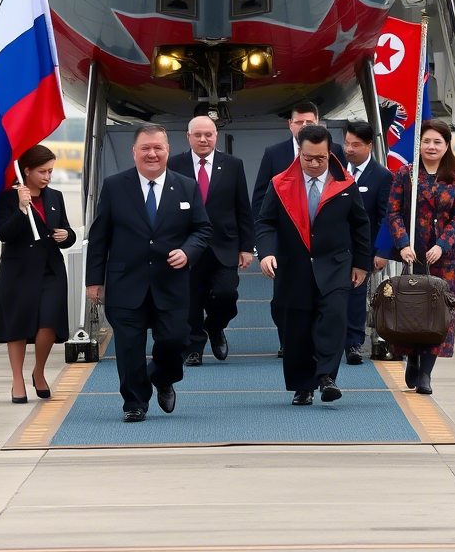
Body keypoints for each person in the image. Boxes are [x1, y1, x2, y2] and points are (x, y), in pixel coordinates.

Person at [85, 124, 212, 422]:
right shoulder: (115, 186)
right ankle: (134, 403)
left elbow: (202, 229)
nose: (152, 154)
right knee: (129, 348)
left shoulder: (186, 186)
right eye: (145, 148)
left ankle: (162, 376)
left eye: (158, 148)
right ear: (134, 152)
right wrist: (94, 281)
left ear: (168, 150)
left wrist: (188, 251)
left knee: (176, 340)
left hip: (171, 284)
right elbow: (100, 236)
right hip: (125, 283)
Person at [256, 125, 372, 405]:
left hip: (334, 266)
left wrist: (361, 263)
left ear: (329, 153)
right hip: (293, 267)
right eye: (309, 158)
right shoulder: (280, 183)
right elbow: (265, 222)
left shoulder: (345, 183)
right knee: (295, 327)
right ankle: (302, 386)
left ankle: (326, 378)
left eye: (321, 158)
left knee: (333, 319)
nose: (315, 163)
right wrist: (266, 253)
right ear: (300, 153)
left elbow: (360, 225)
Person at [250, 101, 343, 355]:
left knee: (323, 299)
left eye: (309, 122)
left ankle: (315, 348)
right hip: (285, 242)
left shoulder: (333, 153)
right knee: (283, 301)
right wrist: (262, 242)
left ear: (318, 124)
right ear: (290, 125)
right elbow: (260, 199)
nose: (304, 126)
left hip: (323, 243)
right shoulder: (274, 153)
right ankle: (288, 340)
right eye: (299, 122)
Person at [387, 119, 455, 395]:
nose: (431, 147)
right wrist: (402, 244)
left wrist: (444, 244)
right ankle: (412, 356)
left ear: (447, 146)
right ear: (419, 144)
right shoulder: (406, 174)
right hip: (414, 256)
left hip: (443, 261)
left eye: (437, 142)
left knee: (439, 315)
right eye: (426, 141)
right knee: (412, 311)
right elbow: (394, 212)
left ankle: (426, 374)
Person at [0, 145, 76, 402]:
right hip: (18, 271)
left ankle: (38, 371)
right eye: (43, 171)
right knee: (16, 326)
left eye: (51, 171)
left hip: (51, 269)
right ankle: (17, 378)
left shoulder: (55, 197)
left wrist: (66, 236)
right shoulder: (7, 198)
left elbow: (67, 232)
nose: (48, 176)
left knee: (49, 324)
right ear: (26, 171)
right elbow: (3, 234)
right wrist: (21, 209)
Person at [167, 116, 254, 365]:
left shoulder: (233, 164)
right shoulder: (174, 165)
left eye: (208, 134)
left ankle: (214, 327)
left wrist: (246, 246)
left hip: (224, 244)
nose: (203, 139)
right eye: (198, 135)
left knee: (226, 294)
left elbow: (242, 207)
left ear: (216, 135)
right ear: (188, 137)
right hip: (187, 246)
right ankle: (194, 346)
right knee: (191, 299)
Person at [341, 120, 393, 365]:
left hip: (363, 248)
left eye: (356, 145)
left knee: (355, 293)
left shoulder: (382, 176)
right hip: (333, 245)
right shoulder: (335, 170)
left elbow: (386, 215)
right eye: (347, 143)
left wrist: (382, 250)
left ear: (370, 146)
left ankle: (353, 343)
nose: (349, 149)